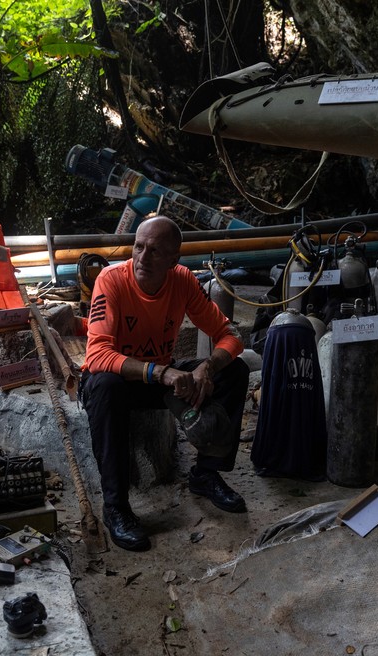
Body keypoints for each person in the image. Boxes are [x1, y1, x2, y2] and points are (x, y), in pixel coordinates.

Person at [80, 215, 250, 552]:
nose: (143, 257)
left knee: (236, 370)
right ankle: (116, 506)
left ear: (174, 260)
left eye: (155, 252)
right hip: (122, 380)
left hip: (159, 376)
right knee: (104, 386)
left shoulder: (183, 281)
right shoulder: (111, 280)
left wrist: (208, 367)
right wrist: (161, 373)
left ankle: (206, 473)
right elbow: (97, 355)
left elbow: (230, 335)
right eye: (139, 247)